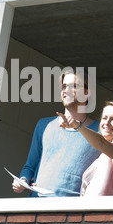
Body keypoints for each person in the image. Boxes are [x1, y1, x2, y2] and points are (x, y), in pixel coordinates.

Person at [12, 69, 101, 197]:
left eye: (73, 86)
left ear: (87, 92)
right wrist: (23, 180)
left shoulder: (100, 132)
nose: (66, 90)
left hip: (72, 211)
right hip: (37, 206)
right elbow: (30, 166)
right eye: (64, 86)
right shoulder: (44, 125)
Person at [58, 101, 113, 196]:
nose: (107, 123)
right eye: (104, 118)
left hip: (101, 209)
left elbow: (101, 143)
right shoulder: (105, 153)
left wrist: (78, 126)